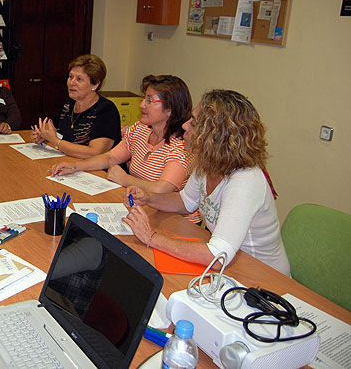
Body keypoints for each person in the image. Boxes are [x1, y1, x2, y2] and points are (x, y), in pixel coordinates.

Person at [122, 90, 290, 276]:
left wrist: (151, 237)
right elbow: (185, 202)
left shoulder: (245, 180)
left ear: (214, 135)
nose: (185, 126)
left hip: (262, 277)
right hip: (232, 266)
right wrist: (149, 198)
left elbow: (218, 256)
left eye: (193, 123)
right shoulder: (209, 163)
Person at [50, 75, 200, 222]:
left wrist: (124, 179)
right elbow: (110, 157)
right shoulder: (141, 129)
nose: (142, 105)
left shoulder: (182, 146)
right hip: (141, 207)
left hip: (174, 221)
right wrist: (76, 166)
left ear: (170, 109)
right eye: (143, 98)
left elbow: (161, 189)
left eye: (150, 100)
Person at [31, 54, 121, 158]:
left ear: (95, 84)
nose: (71, 83)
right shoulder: (69, 104)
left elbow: (95, 153)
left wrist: (55, 141)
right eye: (70, 77)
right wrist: (42, 135)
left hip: (99, 171)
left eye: (79, 79)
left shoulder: (106, 110)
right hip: (70, 162)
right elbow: (51, 129)